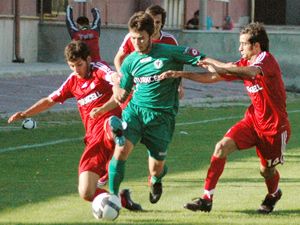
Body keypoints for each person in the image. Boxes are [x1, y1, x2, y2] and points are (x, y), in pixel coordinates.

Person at [159, 22, 291, 214]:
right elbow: (213, 77)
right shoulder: (244, 63)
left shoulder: (265, 59)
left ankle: (273, 194)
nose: (239, 48)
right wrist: (181, 74)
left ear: (256, 46)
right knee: (221, 147)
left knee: (266, 171)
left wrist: (220, 66)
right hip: (252, 122)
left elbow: (250, 72)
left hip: (274, 128)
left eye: (243, 44)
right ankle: (206, 199)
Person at [7, 40, 142, 212]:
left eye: (79, 64)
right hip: (92, 139)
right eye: (72, 66)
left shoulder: (98, 69)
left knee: (109, 124)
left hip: (108, 123)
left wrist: (117, 83)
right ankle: (120, 199)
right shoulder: (73, 81)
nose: (76, 70)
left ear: (88, 59)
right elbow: (50, 100)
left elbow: (113, 76)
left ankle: (115, 133)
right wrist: (26, 113)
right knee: (86, 192)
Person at [93, 11, 207, 207]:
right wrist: (106, 104)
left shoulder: (170, 50)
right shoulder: (130, 60)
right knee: (121, 150)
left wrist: (223, 69)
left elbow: (202, 60)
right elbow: (123, 94)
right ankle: (112, 197)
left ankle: (156, 179)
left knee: (156, 168)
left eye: (141, 38)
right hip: (135, 111)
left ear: (151, 34)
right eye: (134, 38)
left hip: (161, 118)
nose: (137, 43)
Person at [113, 5, 184, 108]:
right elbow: (118, 58)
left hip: (157, 93)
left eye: (158, 22)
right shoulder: (133, 37)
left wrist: (180, 85)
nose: (154, 25)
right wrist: (123, 77)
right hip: (135, 90)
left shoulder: (170, 41)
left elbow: (178, 64)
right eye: (152, 21)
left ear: (162, 23)